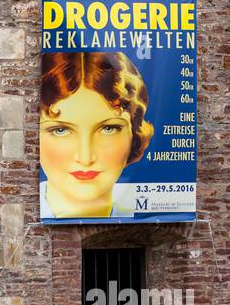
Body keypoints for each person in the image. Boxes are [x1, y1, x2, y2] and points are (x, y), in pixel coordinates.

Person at [39, 51, 153, 219]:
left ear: (134, 135)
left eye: (108, 129)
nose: (85, 158)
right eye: (60, 130)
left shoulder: (144, 215)